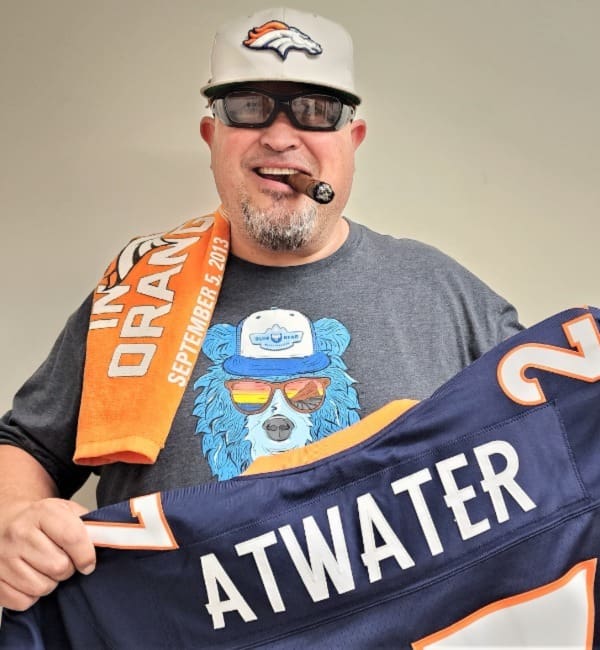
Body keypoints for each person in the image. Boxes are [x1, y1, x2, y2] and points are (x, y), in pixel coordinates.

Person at [0, 7, 521, 613]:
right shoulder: (137, 291)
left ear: (351, 140)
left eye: (316, 109)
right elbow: (27, 445)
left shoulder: (442, 293)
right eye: (248, 107)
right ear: (211, 137)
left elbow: (553, 442)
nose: (280, 136)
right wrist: (14, 518)